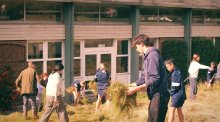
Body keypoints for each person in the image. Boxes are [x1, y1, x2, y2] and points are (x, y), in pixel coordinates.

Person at [127, 34, 170, 122]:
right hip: (155, 96)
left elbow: (155, 78)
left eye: (137, 46)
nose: (136, 49)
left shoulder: (152, 56)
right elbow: (143, 77)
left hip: (159, 95)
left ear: (142, 44)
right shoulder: (147, 56)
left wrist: (136, 89)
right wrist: (131, 85)